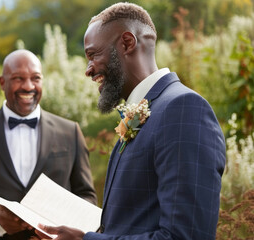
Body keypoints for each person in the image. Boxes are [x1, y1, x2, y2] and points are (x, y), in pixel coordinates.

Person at [37, 2, 226, 240]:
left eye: (93, 54)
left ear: (127, 43)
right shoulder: (142, 115)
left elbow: (185, 236)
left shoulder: (183, 109)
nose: (88, 69)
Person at [0, 49, 97, 240]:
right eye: (18, 78)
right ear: (2, 83)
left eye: (35, 78)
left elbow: (86, 196)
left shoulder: (70, 132)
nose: (28, 86)